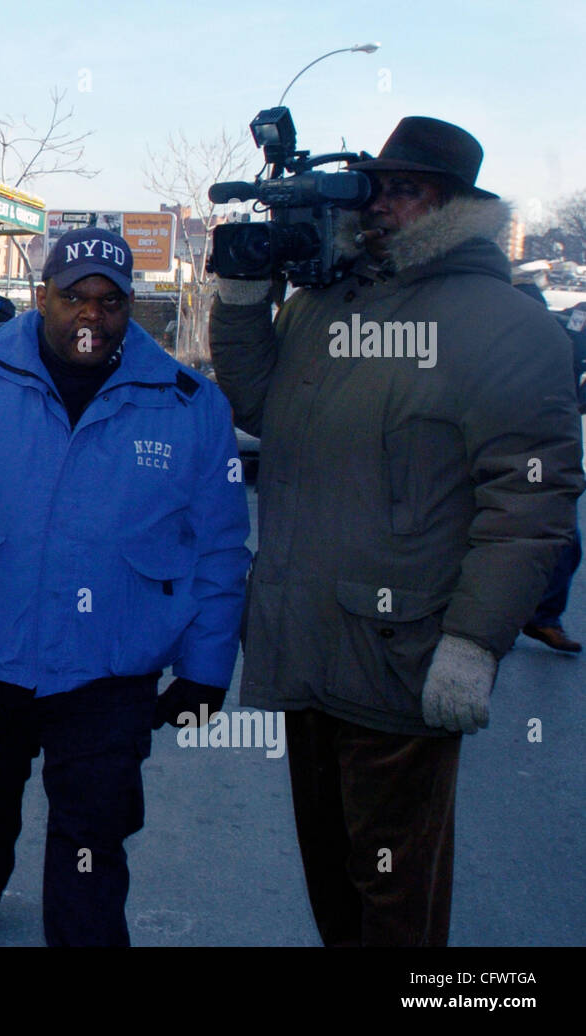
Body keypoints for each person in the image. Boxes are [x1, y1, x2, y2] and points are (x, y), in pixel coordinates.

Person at [210, 116, 584, 946]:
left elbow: (530, 505)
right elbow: (257, 406)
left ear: (454, 207)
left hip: (405, 661)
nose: (378, 206)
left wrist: (475, 644)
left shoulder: (508, 326)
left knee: (394, 896)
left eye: (403, 190)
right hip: (307, 644)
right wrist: (241, 300)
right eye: (374, 187)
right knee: (334, 876)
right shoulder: (327, 302)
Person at [0, 227, 251, 947]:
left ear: (131, 308)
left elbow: (219, 545)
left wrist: (208, 668)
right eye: (73, 296)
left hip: (111, 665)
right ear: (41, 296)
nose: (91, 314)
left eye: (110, 301)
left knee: (95, 828)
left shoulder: (188, 406)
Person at [511, 279, 583, 654]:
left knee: (565, 540)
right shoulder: (490, 345)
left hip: (549, 454)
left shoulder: (564, 335)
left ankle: (542, 617)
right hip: (500, 452)